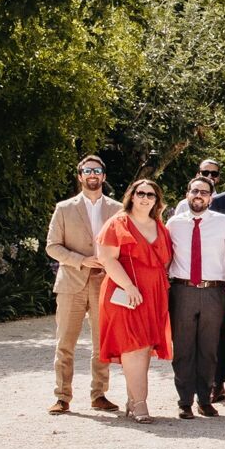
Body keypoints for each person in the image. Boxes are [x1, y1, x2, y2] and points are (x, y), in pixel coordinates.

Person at [44, 155, 122, 414]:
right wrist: (81, 260)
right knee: (65, 342)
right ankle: (62, 396)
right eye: (87, 170)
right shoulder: (64, 208)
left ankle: (99, 394)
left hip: (106, 283)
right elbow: (52, 246)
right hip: (71, 282)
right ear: (80, 176)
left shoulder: (118, 209)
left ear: (103, 176)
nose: (92, 174)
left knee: (103, 343)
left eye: (97, 170)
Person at [93, 179, 174, 424]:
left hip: (153, 294)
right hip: (125, 293)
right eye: (140, 193)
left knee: (145, 347)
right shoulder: (118, 223)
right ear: (132, 195)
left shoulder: (160, 226)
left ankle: (132, 398)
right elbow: (107, 259)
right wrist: (129, 286)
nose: (145, 198)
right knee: (133, 345)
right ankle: (141, 403)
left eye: (151, 194)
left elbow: (165, 262)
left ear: (157, 200)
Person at [166, 176, 225, 418]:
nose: (199, 195)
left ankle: (205, 398)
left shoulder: (224, 223)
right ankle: (184, 400)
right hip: (182, 290)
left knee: (209, 347)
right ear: (187, 194)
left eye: (204, 192)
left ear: (211, 197)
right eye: (194, 191)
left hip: (214, 291)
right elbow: (165, 257)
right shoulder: (174, 223)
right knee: (183, 347)